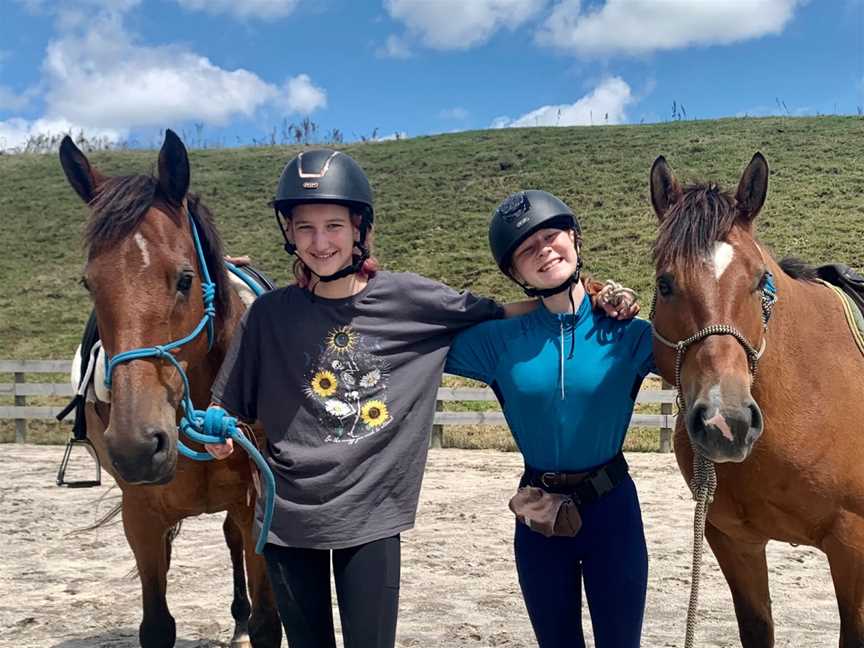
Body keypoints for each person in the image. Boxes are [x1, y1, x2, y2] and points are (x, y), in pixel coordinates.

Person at [204, 151, 638, 648]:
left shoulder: (410, 300)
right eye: (305, 228)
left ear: (359, 227)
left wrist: (594, 293)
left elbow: (501, 310)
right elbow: (227, 408)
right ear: (289, 233)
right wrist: (218, 434)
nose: (320, 242)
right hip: (286, 519)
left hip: (369, 515)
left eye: (333, 225)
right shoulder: (267, 316)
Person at [445, 190, 654, 648]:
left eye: (551, 235)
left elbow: (707, 345)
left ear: (575, 240)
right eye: (525, 248)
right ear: (514, 271)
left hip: (613, 510)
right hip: (538, 513)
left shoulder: (630, 333)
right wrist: (502, 310)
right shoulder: (496, 342)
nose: (543, 249)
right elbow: (422, 331)